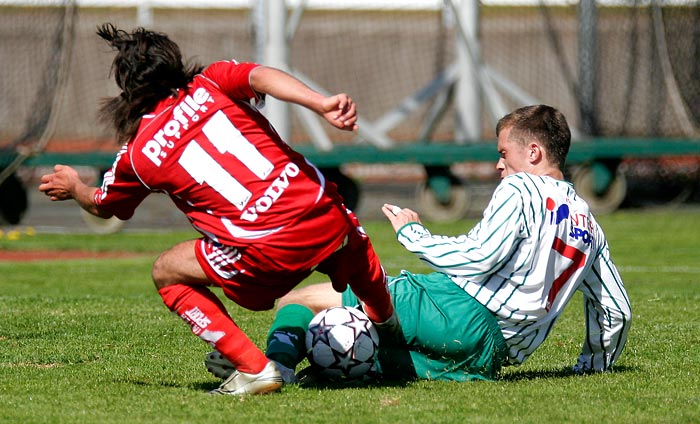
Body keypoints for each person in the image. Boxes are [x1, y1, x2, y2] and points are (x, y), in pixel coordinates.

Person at [37, 23, 398, 396]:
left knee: (167, 271)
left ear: (128, 90)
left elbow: (104, 205)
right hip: (324, 219)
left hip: (267, 253)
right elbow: (261, 75)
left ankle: (254, 368)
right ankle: (388, 328)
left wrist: (75, 188)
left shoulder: (139, 154)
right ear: (173, 61)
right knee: (352, 239)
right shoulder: (212, 81)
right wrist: (319, 103)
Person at [205, 105, 632, 383]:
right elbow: (615, 308)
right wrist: (590, 369)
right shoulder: (589, 225)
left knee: (306, 297)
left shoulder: (522, 187)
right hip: (494, 354)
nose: (499, 164)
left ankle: (271, 366)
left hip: (458, 309)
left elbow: (479, 255)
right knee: (359, 367)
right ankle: (317, 369)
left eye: (504, 152)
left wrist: (413, 233)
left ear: (534, 152)